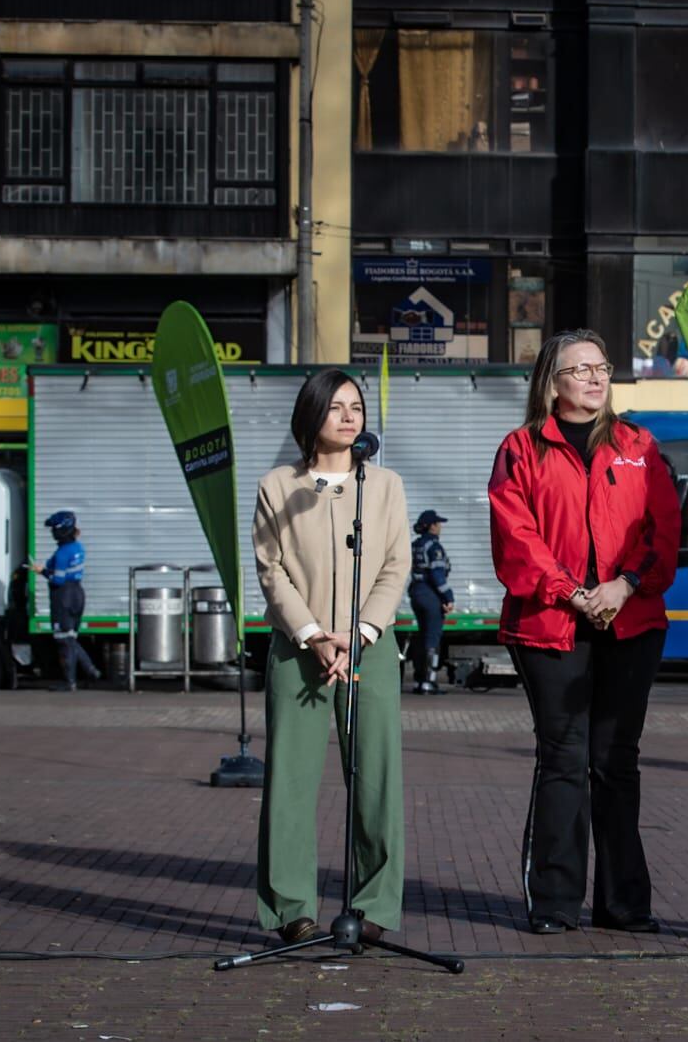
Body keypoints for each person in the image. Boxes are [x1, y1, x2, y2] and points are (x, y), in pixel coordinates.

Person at [488, 329, 680, 935]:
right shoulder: (522, 449)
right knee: (564, 760)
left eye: (602, 366)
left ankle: (624, 904)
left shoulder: (640, 446)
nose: (596, 378)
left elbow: (664, 532)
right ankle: (554, 902)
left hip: (632, 622)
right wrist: (572, 593)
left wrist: (623, 586)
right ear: (552, 381)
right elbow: (516, 538)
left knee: (616, 762)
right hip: (550, 628)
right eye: (580, 369)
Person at [252, 369, 410, 947]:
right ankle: (292, 908)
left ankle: (373, 907)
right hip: (300, 649)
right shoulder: (278, 487)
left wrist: (362, 630)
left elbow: (397, 564)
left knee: (376, 779)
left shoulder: (385, 485)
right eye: (336, 407)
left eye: (356, 407)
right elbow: (272, 571)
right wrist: (314, 634)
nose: (349, 416)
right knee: (290, 781)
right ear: (310, 416)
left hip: (371, 645)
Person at [32, 510, 101, 692]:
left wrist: (42, 572)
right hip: (78, 593)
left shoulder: (63, 552)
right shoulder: (78, 548)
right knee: (71, 637)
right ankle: (90, 671)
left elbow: (58, 580)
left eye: (53, 529)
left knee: (64, 640)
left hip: (63, 596)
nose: (52, 533)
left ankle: (72, 680)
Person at [408, 509, 454, 695]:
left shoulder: (415, 545)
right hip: (430, 594)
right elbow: (437, 575)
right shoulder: (434, 547)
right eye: (438, 523)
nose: (440, 527)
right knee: (432, 638)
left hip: (416, 593)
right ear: (431, 526)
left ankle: (420, 680)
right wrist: (448, 597)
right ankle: (429, 682)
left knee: (422, 636)